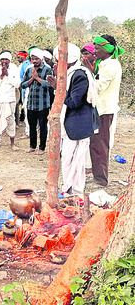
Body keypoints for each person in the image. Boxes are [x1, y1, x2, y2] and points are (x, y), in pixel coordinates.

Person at [47, 43, 99, 194]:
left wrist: (58, 88)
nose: (58, 63)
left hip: (78, 125)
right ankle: (69, 189)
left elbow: (74, 102)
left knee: (74, 160)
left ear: (69, 60)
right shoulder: (71, 73)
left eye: (60, 60)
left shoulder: (79, 75)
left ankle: (75, 191)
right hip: (73, 124)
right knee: (68, 159)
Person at [85, 35, 124, 187]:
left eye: (97, 49)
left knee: (100, 145)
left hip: (104, 110)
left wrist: (89, 73)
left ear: (107, 50)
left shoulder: (112, 66)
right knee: (95, 143)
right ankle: (97, 176)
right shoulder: (104, 64)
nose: (94, 51)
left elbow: (99, 87)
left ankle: (101, 180)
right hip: (99, 109)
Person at [20, 48, 54, 155]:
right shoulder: (29, 70)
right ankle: (32, 146)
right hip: (31, 102)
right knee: (32, 125)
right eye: (32, 59)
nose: (34, 61)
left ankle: (42, 148)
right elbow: (22, 84)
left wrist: (37, 78)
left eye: (36, 59)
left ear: (41, 59)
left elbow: (50, 84)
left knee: (43, 126)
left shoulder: (47, 70)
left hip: (43, 103)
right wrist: (31, 79)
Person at [0, 51, 20, 150]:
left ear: (9, 60)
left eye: (6, 60)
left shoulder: (14, 68)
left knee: (10, 120)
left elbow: (17, 84)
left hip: (9, 99)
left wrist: (7, 74)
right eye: (2, 59)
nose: (4, 61)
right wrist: (1, 76)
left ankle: (12, 143)